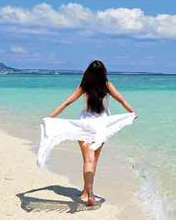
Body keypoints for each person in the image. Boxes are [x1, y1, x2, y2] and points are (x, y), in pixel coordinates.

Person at [48, 60, 136, 206]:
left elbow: (67, 102)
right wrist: (132, 112)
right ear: (103, 72)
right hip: (101, 127)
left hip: (84, 125)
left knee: (87, 160)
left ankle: (87, 192)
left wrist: (50, 117)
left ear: (88, 72)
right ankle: (89, 192)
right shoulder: (107, 85)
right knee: (94, 160)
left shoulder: (84, 86)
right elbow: (121, 100)